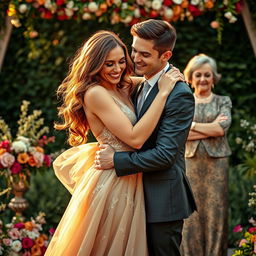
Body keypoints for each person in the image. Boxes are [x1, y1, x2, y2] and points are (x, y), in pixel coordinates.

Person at [45, 30, 184, 256]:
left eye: (121, 61)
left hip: (132, 174)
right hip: (113, 179)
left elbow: (153, 79)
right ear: (95, 64)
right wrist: (163, 93)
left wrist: (172, 76)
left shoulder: (122, 85)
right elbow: (136, 139)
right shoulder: (95, 93)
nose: (117, 69)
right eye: (109, 64)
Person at [96, 19, 197, 256]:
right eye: (133, 50)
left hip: (162, 200)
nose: (135, 58)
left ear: (166, 55)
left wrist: (117, 160)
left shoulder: (178, 94)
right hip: (134, 196)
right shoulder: (140, 84)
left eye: (144, 54)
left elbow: (165, 155)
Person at [181, 54, 232, 256]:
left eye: (207, 75)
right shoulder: (183, 101)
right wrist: (210, 127)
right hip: (189, 163)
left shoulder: (223, 101)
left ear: (214, 78)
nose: (203, 79)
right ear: (191, 78)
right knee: (189, 213)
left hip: (217, 165)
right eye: (198, 74)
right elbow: (179, 133)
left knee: (215, 212)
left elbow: (222, 130)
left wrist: (192, 126)